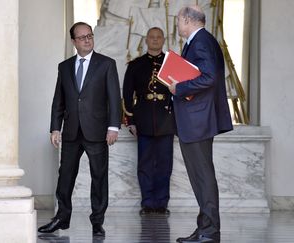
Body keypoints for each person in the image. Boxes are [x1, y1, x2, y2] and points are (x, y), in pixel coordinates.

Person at [38, 22, 121, 237]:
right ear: (74, 41)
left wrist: (113, 127)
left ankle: (97, 221)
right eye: (82, 37)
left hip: (97, 131)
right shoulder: (64, 67)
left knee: (99, 177)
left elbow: (114, 98)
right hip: (72, 131)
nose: (87, 40)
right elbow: (59, 99)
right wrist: (55, 128)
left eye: (90, 36)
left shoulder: (106, 64)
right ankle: (61, 218)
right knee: (65, 176)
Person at [167, 6, 233, 243]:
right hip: (197, 119)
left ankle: (210, 231)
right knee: (200, 177)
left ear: (187, 20)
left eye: (178, 20)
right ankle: (204, 228)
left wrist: (179, 88)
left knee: (203, 177)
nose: (177, 25)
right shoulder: (198, 41)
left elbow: (209, 78)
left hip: (198, 120)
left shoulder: (202, 41)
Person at [123, 27, 176, 216]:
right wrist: (130, 120)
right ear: (146, 40)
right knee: (145, 164)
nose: (155, 40)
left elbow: (181, 92)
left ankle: (161, 203)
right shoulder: (136, 64)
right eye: (151, 37)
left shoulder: (171, 64)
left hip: (166, 120)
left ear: (163, 39)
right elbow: (127, 93)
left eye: (158, 37)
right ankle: (147, 203)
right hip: (143, 119)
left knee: (164, 165)